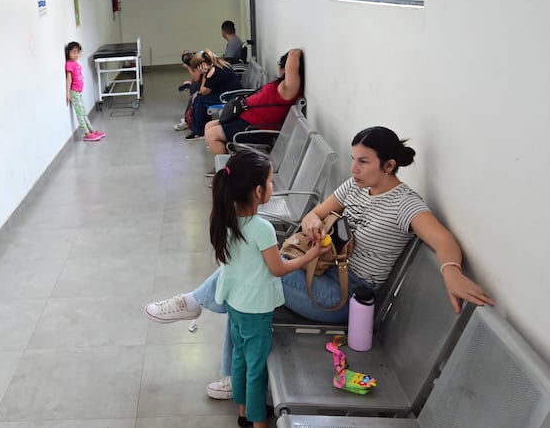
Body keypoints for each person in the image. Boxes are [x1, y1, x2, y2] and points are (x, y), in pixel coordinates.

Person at [145, 126, 495, 400]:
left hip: (346, 299)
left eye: (363, 162)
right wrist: (312, 221)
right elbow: (317, 211)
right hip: (324, 275)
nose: (353, 168)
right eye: (353, 159)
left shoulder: (404, 204)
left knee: (250, 274)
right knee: (248, 280)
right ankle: (228, 368)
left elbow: (443, 240)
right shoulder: (355, 187)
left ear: (389, 165)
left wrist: (451, 271)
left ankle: (195, 306)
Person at [208, 150, 323, 427]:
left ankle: (244, 413)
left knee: (240, 358)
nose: (273, 187)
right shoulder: (261, 228)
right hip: (256, 309)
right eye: (271, 183)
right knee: (256, 368)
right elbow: (278, 269)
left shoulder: (224, 219)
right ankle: (259, 423)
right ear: (258, 191)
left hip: (235, 303)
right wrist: (310, 256)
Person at [205, 48, 305, 158]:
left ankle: (227, 170)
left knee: (212, 135)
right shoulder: (282, 85)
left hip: (255, 128)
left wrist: (289, 59)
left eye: (280, 64)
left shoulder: (288, 89)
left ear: (286, 68)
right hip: (246, 119)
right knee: (209, 126)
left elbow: (294, 53)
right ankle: (226, 160)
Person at [184, 49, 240, 141]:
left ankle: (199, 132)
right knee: (199, 98)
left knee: (199, 100)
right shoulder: (219, 64)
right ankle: (200, 128)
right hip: (231, 93)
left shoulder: (212, 71)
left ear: (202, 65)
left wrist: (204, 74)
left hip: (229, 96)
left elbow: (203, 91)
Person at [65, 42, 105, 142]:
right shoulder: (69, 64)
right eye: (73, 52)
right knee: (80, 114)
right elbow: (69, 79)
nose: (76, 54)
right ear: (68, 52)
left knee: (83, 113)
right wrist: (68, 93)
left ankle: (91, 130)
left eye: (78, 52)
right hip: (74, 92)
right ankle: (86, 133)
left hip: (78, 92)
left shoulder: (76, 63)